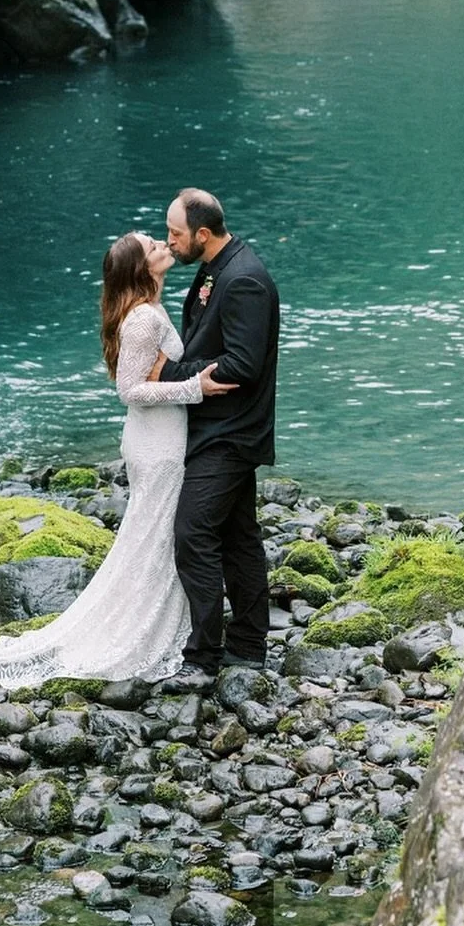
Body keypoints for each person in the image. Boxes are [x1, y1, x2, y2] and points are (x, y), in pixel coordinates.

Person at [0, 231, 235, 685]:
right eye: (153, 247)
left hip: (160, 437)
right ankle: (146, 633)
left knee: (155, 538)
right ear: (141, 268)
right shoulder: (143, 319)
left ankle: (167, 626)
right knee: (158, 538)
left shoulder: (147, 310)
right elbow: (130, 390)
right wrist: (196, 388)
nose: (163, 246)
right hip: (159, 445)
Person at [155, 187, 280, 689]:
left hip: (231, 432)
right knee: (238, 537)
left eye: (176, 234)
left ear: (202, 234)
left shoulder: (244, 278)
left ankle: (203, 656)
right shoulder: (216, 267)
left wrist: (172, 373)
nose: (170, 242)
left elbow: (243, 366)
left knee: (193, 534)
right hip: (217, 429)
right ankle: (248, 645)